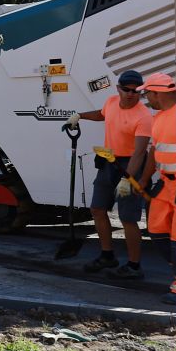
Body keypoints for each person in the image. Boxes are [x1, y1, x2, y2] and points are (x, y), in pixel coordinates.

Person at [65, 70, 152, 279]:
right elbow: (103, 114)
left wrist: (127, 178)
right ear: (118, 88)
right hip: (108, 161)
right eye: (127, 90)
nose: (131, 94)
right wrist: (80, 116)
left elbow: (140, 152)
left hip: (130, 165)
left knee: (128, 218)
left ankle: (134, 266)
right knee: (97, 208)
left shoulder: (143, 116)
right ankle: (107, 255)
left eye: (136, 91)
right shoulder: (112, 102)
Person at [135, 72, 176, 304]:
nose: (145, 98)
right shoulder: (159, 117)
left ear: (157, 93)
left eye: (147, 93)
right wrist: (144, 178)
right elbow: (154, 151)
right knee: (157, 231)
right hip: (166, 184)